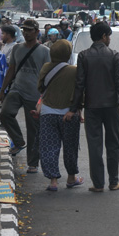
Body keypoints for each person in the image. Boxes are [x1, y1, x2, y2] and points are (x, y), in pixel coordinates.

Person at [68, 22, 119, 192]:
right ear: (104, 36)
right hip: (111, 106)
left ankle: (98, 184)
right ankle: (113, 181)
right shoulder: (114, 55)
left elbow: (79, 85)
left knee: (94, 146)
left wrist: (74, 108)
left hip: (91, 107)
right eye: (109, 36)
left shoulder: (83, 56)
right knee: (113, 144)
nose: (109, 39)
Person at [0, 19, 50, 173]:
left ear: (36, 32)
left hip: (34, 93)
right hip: (17, 89)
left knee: (34, 129)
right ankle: (19, 141)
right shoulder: (17, 49)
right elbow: (11, 70)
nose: (26, 33)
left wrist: (45, 96)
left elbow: (48, 74)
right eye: (24, 30)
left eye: (30, 30)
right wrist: (2, 91)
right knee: (5, 114)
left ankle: (33, 163)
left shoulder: (44, 51)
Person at [37, 40, 83, 191]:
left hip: (47, 113)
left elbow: (40, 88)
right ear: (68, 53)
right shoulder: (75, 70)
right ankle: (71, 178)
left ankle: (53, 181)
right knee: (70, 147)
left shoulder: (45, 68)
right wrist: (79, 109)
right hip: (68, 114)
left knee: (49, 147)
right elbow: (79, 92)